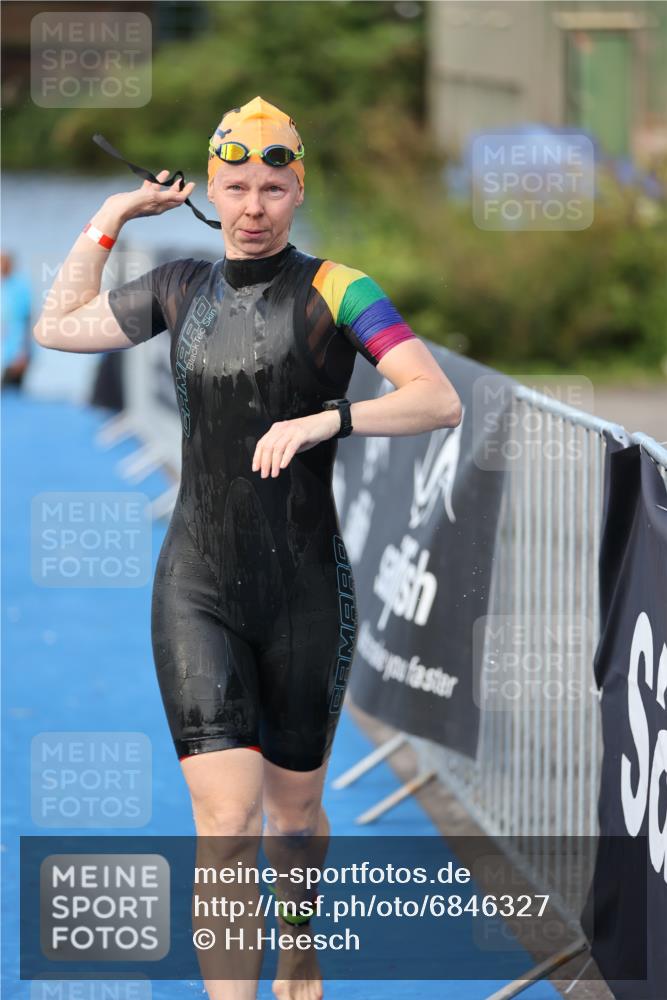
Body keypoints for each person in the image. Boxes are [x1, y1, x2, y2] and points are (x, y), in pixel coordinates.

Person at [33, 96, 462, 1000]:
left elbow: (435, 398)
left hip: (304, 588)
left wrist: (326, 418)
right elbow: (54, 326)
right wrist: (110, 219)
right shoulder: (179, 287)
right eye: (235, 187)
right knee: (225, 823)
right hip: (196, 585)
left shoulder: (340, 289)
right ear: (213, 191)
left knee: (293, 816)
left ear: (297, 189)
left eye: (273, 186)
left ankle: (297, 963)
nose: (253, 205)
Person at [1, 252, 33, 389]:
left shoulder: (20, 287)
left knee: (11, 393)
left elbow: (27, 319)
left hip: (17, 352)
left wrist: (23, 353)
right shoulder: (4, 286)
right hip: (5, 351)